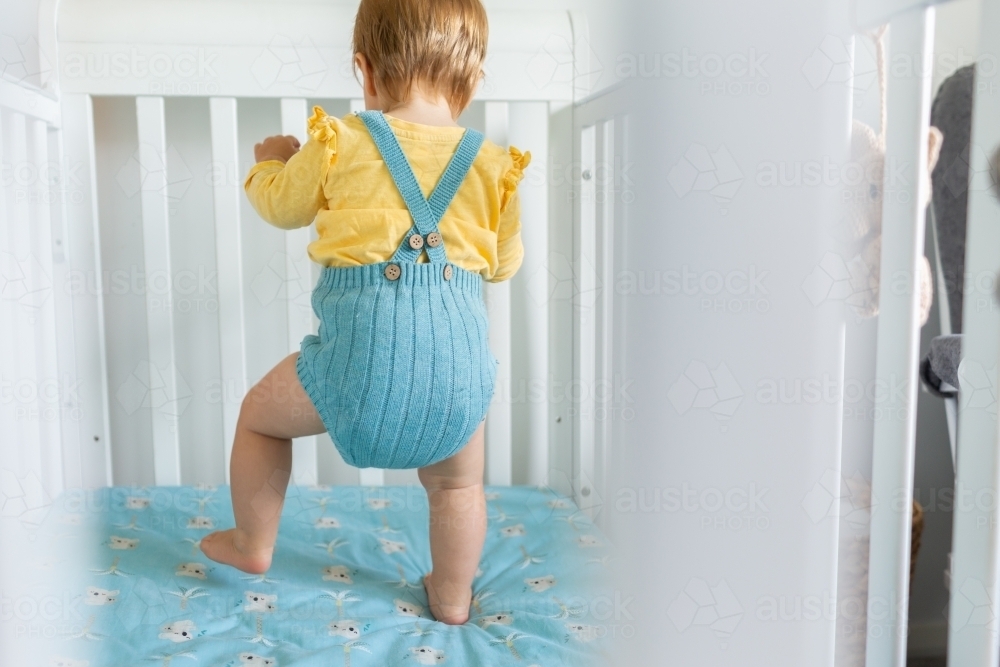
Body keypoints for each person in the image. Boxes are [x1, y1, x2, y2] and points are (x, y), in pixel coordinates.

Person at [200, 0, 530, 626]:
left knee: (258, 420)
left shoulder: (341, 142)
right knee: (459, 488)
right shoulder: (494, 167)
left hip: (351, 378)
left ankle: (252, 543)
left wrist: (272, 159)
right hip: (456, 390)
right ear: (473, 79)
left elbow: (279, 207)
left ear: (365, 70)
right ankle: (454, 598)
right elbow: (504, 265)